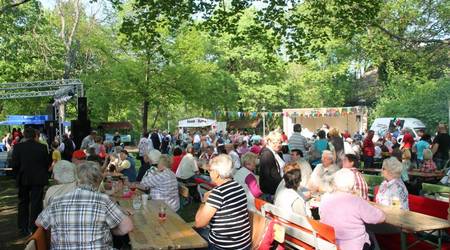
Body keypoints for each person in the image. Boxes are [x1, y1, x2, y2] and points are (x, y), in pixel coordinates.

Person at [36, 161, 133, 249]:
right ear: (99, 181)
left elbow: (39, 222)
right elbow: (127, 227)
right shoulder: (103, 200)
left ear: (77, 179)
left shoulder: (57, 201)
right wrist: (112, 231)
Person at [194, 155, 251, 249]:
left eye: (210, 170)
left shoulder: (218, 193)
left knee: (194, 231)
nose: (209, 172)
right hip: (243, 244)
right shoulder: (238, 186)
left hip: (223, 246)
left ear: (216, 173)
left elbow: (199, 223)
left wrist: (204, 201)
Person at [320, 169, 385, 250]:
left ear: (335, 182)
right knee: (371, 235)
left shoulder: (325, 198)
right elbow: (380, 218)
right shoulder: (355, 201)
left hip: (330, 243)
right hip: (354, 246)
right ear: (353, 184)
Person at [11, 128, 51, 236]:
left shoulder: (18, 147)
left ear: (24, 135)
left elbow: (14, 164)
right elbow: (47, 163)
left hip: (23, 178)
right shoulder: (42, 147)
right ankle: (34, 227)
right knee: (36, 203)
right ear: (35, 136)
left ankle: (23, 228)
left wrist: (17, 175)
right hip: (38, 179)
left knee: (23, 203)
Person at [259, 131, 285, 197]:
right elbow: (270, 176)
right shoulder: (267, 154)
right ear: (269, 142)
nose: (278, 145)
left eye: (280, 142)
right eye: (275, 143)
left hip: (278, 187)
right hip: (272, 191)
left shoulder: (274, 152)